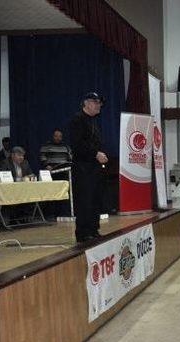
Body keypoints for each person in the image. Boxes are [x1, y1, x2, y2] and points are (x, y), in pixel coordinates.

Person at [70, 92, 108, 242]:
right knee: (85, 200)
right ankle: (83, 232)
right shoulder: (77, 120)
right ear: (86, 103)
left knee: (96, 198)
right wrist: (95, 154)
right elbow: (78, 145)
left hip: (95, 168)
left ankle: (93, 229)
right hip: (83, 168)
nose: (99, 105)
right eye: (96, 102)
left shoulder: (94, 122)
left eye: (100, 102)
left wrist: (100, 154)